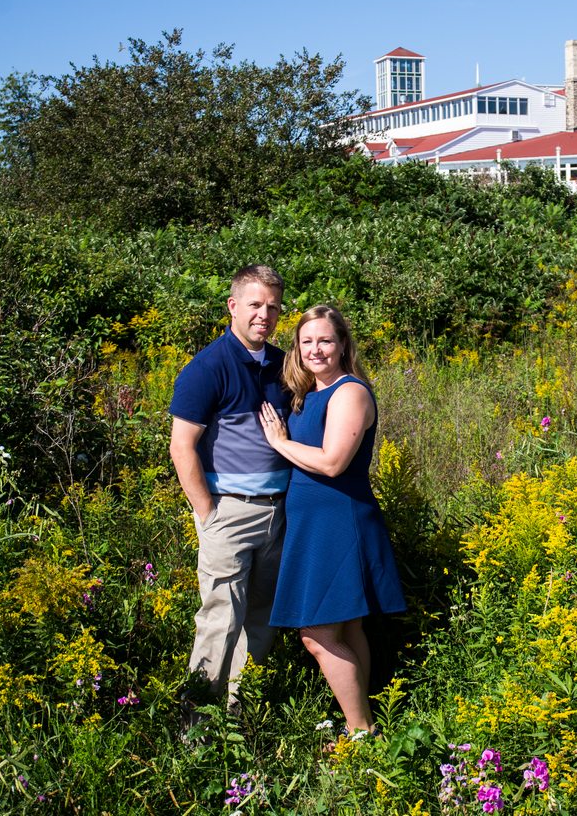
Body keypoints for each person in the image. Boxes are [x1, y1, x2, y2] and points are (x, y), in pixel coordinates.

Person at [258, 304, 405, 734]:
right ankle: (364, 721)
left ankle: (361, 730)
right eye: (306, 341)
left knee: (317, 634)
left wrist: (279, 443)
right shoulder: (309, 394)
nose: (316, 349)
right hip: (314, 525)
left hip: (339, 522)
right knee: (349, 624)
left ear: (343, 344)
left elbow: (333, 462)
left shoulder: (350, 392)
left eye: (325, 340)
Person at [169, 265, 291, 706]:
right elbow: (182, 447)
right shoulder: (207, 367)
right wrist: (208, 513)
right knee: (221, 619)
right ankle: (196, 724)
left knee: (262, 619)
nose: (265, 315)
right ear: (233, 306)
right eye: (255, 304)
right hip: (229, 512)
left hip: (278, 511)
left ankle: (241, 715)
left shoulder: (282, 365)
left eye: (273, 307)